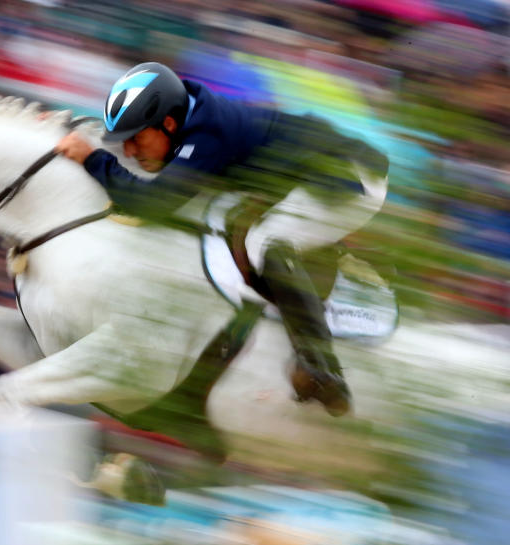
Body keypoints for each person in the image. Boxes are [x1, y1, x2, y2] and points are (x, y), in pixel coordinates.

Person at [57, 62, 390, 416]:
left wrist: (92, 159)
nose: (129, 151)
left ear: (168, 124)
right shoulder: (187, 121)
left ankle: (322, 368)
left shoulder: (206, 136)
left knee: (267, 245)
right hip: (302, 174)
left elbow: (151, 204)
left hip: (349, 179)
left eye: (135, 138)